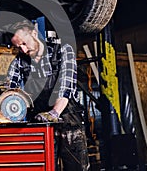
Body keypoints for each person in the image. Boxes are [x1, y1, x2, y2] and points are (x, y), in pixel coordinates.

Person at [7, 20, 90, 171]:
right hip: (41, 123)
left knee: (77, 167)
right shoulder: (19, 62)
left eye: (24, 43)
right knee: (44, 166)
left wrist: (54, 112)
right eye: (18, 47)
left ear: (33, 33)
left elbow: (66, 87)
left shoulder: (63, 52)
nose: (23, 50)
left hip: (68, 121)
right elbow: (10, 91)